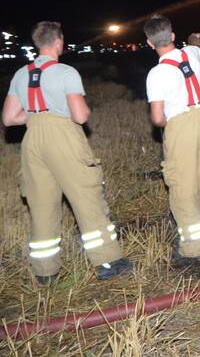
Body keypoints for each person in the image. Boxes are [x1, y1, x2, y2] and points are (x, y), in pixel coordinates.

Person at [1, 21, 132, 282]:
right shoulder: (65, 72)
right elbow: (80, 115)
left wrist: (37, 115)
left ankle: (45, 271)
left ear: (38, 43)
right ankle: (107, 262)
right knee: (86, 197)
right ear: (59, 41)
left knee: (41, 204)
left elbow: (8, 118)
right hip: (63, 137)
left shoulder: (20, 74)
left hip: (32, 139)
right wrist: (59, 112)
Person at [143, 15, 200, 260]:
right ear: (171, 36)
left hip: (181, 126)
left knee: (183, 186)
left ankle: (193, 247)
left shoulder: (156, 75)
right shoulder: (190, 54)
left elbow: (158, 118)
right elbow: (198, 46)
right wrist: (193, 38)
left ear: (149, 43)